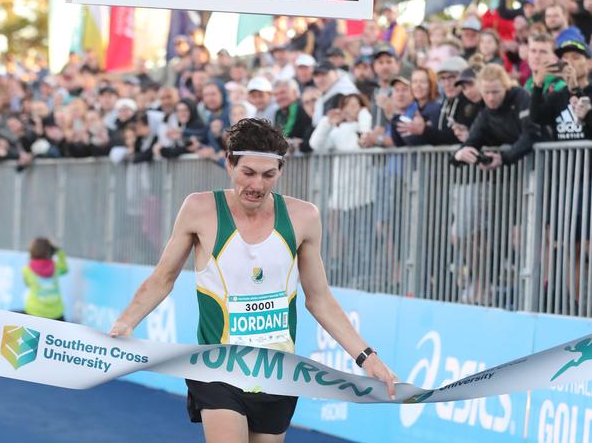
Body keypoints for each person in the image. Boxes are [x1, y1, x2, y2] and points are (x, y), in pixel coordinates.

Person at [109, 119, 397, 441]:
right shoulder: (200, 209)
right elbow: (163, 278)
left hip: (277, 372)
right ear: (229, 164)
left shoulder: (304, 217)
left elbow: (319, 299)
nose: (257, 185)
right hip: (217, 370)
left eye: (268, 174)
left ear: (280, 171)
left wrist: (366, 357)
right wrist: (125, 322)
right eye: (248, 172)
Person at [23, 237, 69, 321]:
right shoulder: (55, 267)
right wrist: (59, 251)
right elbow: (65, 269)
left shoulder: (27, 270)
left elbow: (27, 284)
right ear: (51, 251)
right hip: (56, 314)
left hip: (34, 312)